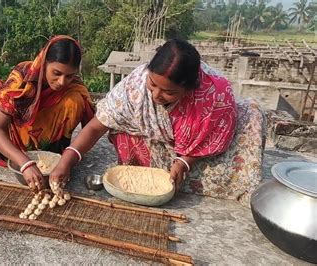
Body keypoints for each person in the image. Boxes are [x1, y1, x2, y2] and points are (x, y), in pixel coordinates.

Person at [50, 38, 265, 205]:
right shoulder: (135, 86)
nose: (155, 96)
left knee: (247, 131)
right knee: (124, 135)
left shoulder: (214, 97)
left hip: (200, 143)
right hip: (158, 139)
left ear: (189, 89)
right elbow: (97, 126)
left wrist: (185, 160)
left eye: (169, 93)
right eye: (152, 84)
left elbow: (211, 135)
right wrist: (67, 160)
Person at [0, 35, 94, 192]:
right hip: (19, 137)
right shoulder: (22, 79)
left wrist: (68, 159)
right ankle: (18, 152)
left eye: (69, 76)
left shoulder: (74, 87)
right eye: (56, 73)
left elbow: (92, 130)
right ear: (44, 62)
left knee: (75, 100)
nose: (62, 81)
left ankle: (54, 151)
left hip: (55, 148)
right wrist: (24, 163)